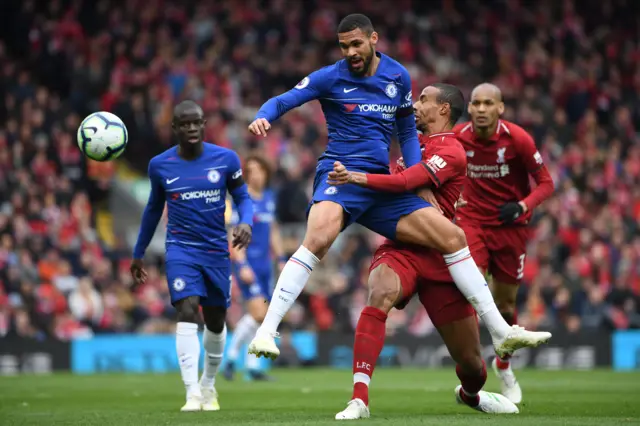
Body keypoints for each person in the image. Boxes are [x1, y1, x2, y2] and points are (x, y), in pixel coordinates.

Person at [247, 14, 550, 361]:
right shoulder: (330, 77)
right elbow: (285, 99)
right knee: (316, 240)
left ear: (373, 39)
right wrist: (264, 116)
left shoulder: (397, 76)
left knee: (453, 238)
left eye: (356, 44)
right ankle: (266, 332)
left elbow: (407, 132)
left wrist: (421, 182)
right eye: (344, 46)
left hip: (380, 183)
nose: (350, 52)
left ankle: (500, 332)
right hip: (340, 175)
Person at [329, 84, 519, 420]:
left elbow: (404, 182)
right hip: (402, 245)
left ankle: (470, 395)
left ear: (444, 109)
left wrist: (359, 178)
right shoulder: (411, 142)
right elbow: (401, 177)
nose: (415, 105)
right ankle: (359, 399)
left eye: (423, 100)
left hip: (442, 257)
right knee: (380, 291)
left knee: (473, 367)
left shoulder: (453, 149)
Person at [130, 100, 253, 412]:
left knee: (215, 321)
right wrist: (139, 252)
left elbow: (242, 197)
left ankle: (208, 385)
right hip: (181, 250)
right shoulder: (160, 165)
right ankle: (191, 393)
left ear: (204, 124)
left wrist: (245, 222)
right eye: (184, 124)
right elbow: (153, 210)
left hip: (215, 251)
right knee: (186, 309)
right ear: (175, 128)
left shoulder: (225, 159)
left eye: (196, 122)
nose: (192, 128)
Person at [453, 83, 555, 403]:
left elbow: (546, 183)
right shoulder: (458, 137)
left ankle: (503, 365)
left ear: (500, 108)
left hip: (512, 226)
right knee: (472, 287)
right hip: (473, 223)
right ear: (469, 109)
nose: (481, 109)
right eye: (476, 103)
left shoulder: (517, 139)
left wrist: (523, 206)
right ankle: (472, 367)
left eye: (488, 103)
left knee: (506, 305)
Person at [224, 155, 286, 381]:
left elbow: (274, 230)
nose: (256, 174)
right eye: (251, 170)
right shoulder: (243, 199)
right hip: (248, 264)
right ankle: (231, 359)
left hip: (265, 265)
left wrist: (280, 258)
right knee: (260, 313)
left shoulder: (269, 197)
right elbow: (235, 235)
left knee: (261, 316)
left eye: (260, 169)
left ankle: (250, 366)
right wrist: (241, 264)